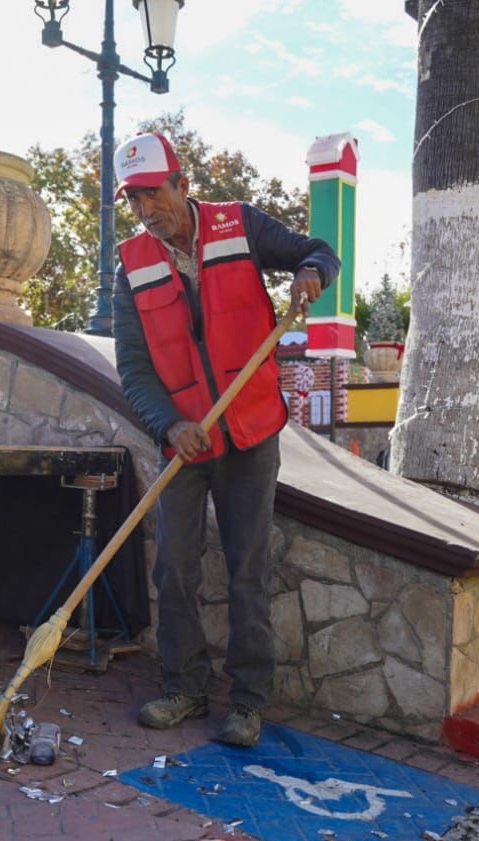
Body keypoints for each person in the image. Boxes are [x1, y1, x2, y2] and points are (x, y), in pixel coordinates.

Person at [111, 131, 339, 747]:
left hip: (250, 431)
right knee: (174, 570)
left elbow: (319, 252)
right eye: (134, 199)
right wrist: (168, 424)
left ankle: (247, 701)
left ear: (182, 184)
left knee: (247, 568)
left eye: (154, 193)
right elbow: (133, 367)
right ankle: (183, 687)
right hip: (184, 441)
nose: (146, 209)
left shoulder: (239, 225)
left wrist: (310, 274)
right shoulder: (131, 265)